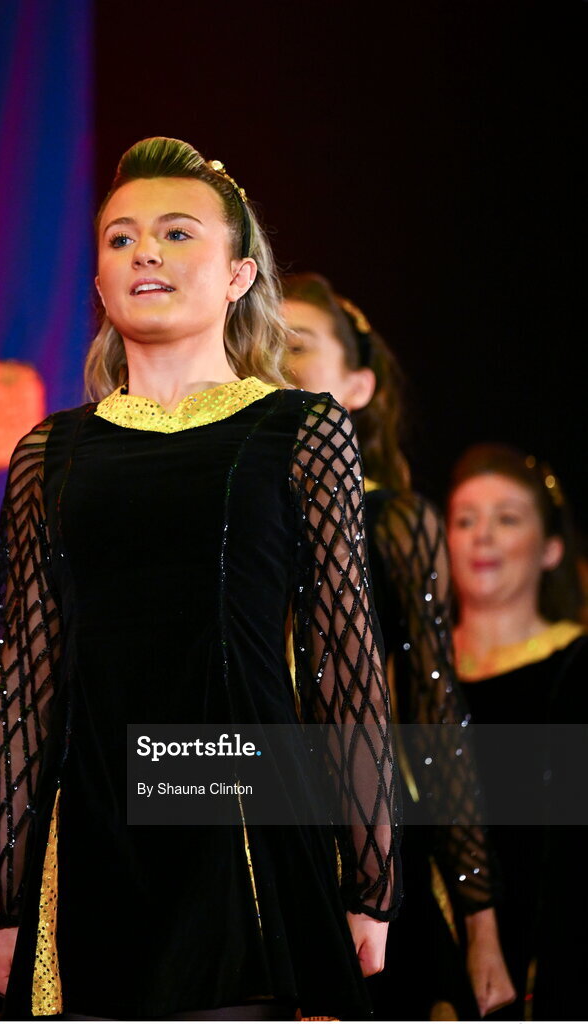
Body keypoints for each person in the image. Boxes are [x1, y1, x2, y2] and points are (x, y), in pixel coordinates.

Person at [0, 139, 402, 1021]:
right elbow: (18, 683)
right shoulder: (52, 455)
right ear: (98, 283)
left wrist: (371, 875)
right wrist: (4, 900)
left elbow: (343, 661)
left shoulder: (300, 429)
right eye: (121, 240)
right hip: (89, 834)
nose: (146, 255)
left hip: (244, 826)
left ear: (240, 274)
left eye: (175, 233)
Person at [281, 273, 515, 1020]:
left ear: (356, 386)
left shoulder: (391, 521)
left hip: (363, 850)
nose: (273, 362)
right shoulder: (213, 513)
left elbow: (434, 716)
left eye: (297, 347)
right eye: (258, 345)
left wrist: (480, 925)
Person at [447, 443, 588, 1020]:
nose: (482, 536)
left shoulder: (575, 666)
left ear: (551, 548)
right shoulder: (393, 676)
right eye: (464, 520)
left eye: (506, 519)